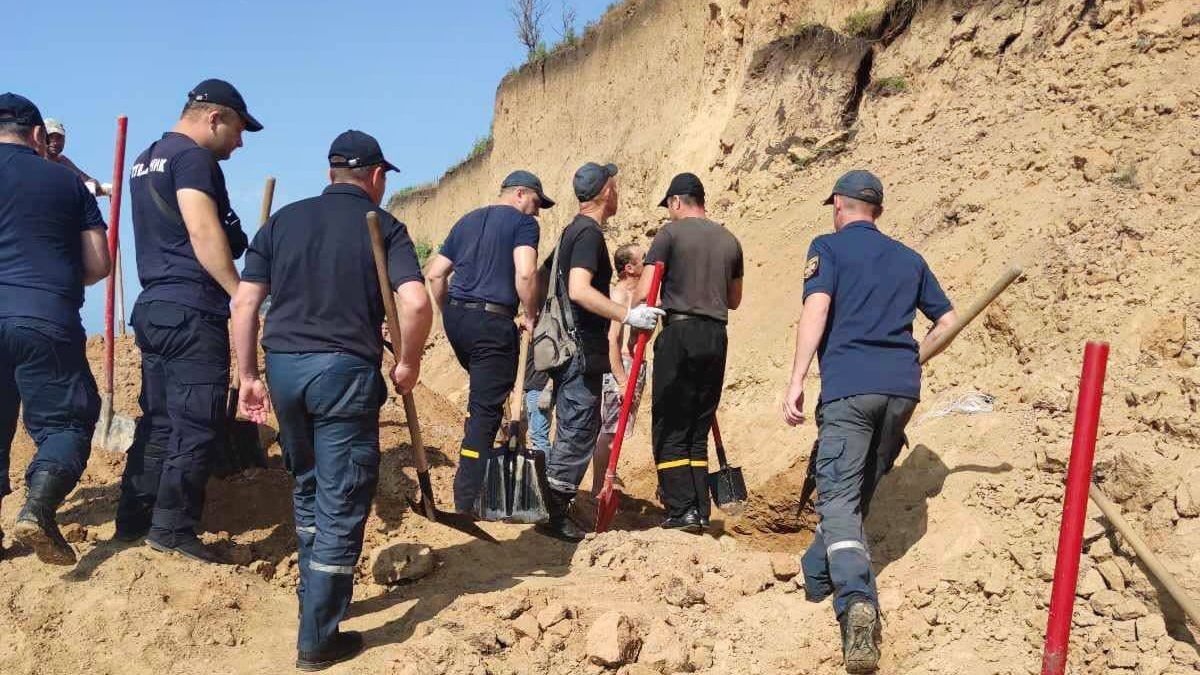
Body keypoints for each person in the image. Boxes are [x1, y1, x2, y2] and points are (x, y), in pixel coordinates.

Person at [232, 129, 431, 671]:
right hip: (342, 369)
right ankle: (317, 637)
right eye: (384, 177)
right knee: (342, 498)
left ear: (328, 174)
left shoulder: (282, 223)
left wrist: (248, 374)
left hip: (285, 369)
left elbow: (245, 304)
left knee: (309, 483)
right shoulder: (382, 225)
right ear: (374, 176)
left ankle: (312, 596)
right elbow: (414, 303)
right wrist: (408, 363)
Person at [781, 170, 958, 673]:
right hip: (901, 389)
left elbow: (816, 309)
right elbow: (947, 321)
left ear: (839, 205)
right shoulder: (909, 258)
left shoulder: (828, 248)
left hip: (849, 388)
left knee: (837, 495)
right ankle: (817, 576)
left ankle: (857, 602)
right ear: (875, 210)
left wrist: (796, 378)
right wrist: (913, 358)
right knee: (856, 490)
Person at [115, 79, 262, 562]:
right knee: (196, 423)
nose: (239, 143)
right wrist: (238, 290)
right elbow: (202, 229)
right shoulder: (193, 159)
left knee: (157, 421)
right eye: (238, 129)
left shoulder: (146, 157)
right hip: (190, 307)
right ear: (213, 117)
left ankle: (133, 520)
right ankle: (173, 528)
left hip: (154, 304)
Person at [0, 93, 111, 565]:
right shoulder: (67, 183)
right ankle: (38, 508)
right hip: (44, 315)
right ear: (39, 136)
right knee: (66, 421)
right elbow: (98, 263)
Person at [536, 162, 662, 542]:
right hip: (578, 352)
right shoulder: (588, 234)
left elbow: (542, 277)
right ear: (606, 191)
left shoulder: (570, 232)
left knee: (577, 428)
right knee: (576, 431)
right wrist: (629, 315)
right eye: (616, 186)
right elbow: (578, 289)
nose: (618, 192)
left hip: (569, 349)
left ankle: (556, 508)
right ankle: (553, 515)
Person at [424, 170, 552, 514]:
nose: (537, 212)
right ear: (521, 194)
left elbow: (435, 274)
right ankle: (466, 501)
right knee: (484, 413)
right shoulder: (524, 225)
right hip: (494, 322)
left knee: (483, 401)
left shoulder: (466, 220)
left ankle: (476, 477)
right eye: (536, 203)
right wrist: (530, 313)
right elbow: (525, 273)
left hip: (458, 321)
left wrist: (448, 312)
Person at [640, 173, 743, 532]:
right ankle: (700, 508)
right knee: (697, 427)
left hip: (679, 333)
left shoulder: (669, 235)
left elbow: (646, 289)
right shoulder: (730, 239)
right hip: (716, 335)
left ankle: (681, 509)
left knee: (670, 424)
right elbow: (735, 299)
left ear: (676, 202)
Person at [590, 242, 647, 495]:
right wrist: (622, 379)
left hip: (637, 365)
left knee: (620, 430)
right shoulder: (618, 296)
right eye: (643, 259)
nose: (648, 262)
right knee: (611, 430)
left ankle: (605, 483)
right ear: (629, 268)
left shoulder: (642, 294)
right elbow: (612, 340)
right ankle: (597, 489)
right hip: (620, 366)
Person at [43, 118, 105, 196]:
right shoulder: (35, 160)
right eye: (50, 137)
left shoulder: (63, 161)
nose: (55, 142)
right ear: (41, 137)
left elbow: (90, 182)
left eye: (59, 138)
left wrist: (92, 186)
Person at [522, 353, 552, 453]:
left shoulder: (543, 338)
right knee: (537, 435)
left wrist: (548, 389)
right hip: (533, 389)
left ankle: (542, 468)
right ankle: (542, 467)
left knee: (539, 437)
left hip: (539, 389)